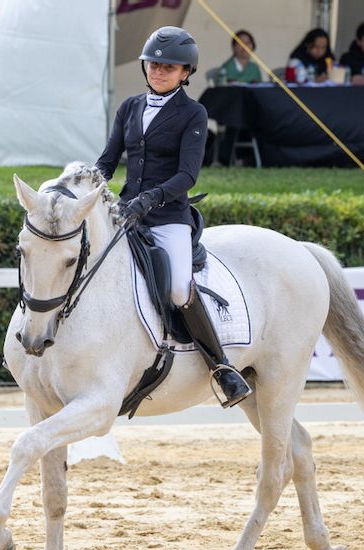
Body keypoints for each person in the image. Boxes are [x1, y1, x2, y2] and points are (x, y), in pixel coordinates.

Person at [95, 26, 252, 408]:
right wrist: (86, 186)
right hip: (126, 214)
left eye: (170, 67)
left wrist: (149, 199)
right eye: (154, 64)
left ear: (186, 73)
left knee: (179, 288)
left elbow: (187, 175)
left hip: (168, 218)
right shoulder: (130, 107)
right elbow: (108, 161)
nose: (159, 71)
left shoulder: (192, 113)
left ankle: (221, 367)